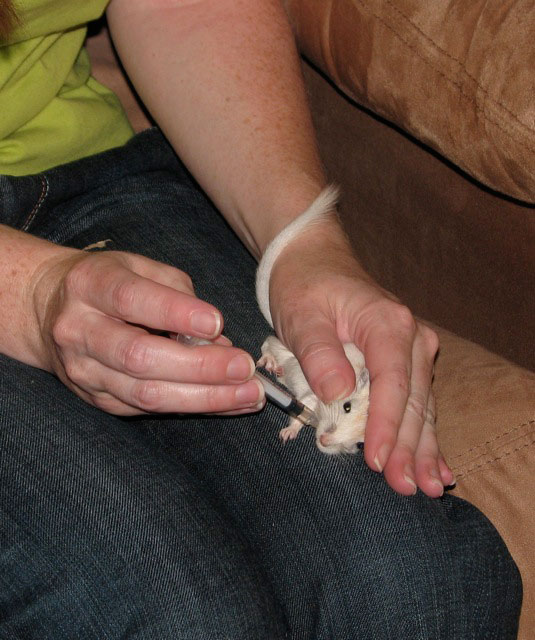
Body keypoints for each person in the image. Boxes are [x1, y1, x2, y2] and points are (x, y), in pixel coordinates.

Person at [0, 0, 522, 637]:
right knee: (187, 618)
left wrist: (301, 240)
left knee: (417, 585)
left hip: (85, 171)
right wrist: (28, 294)